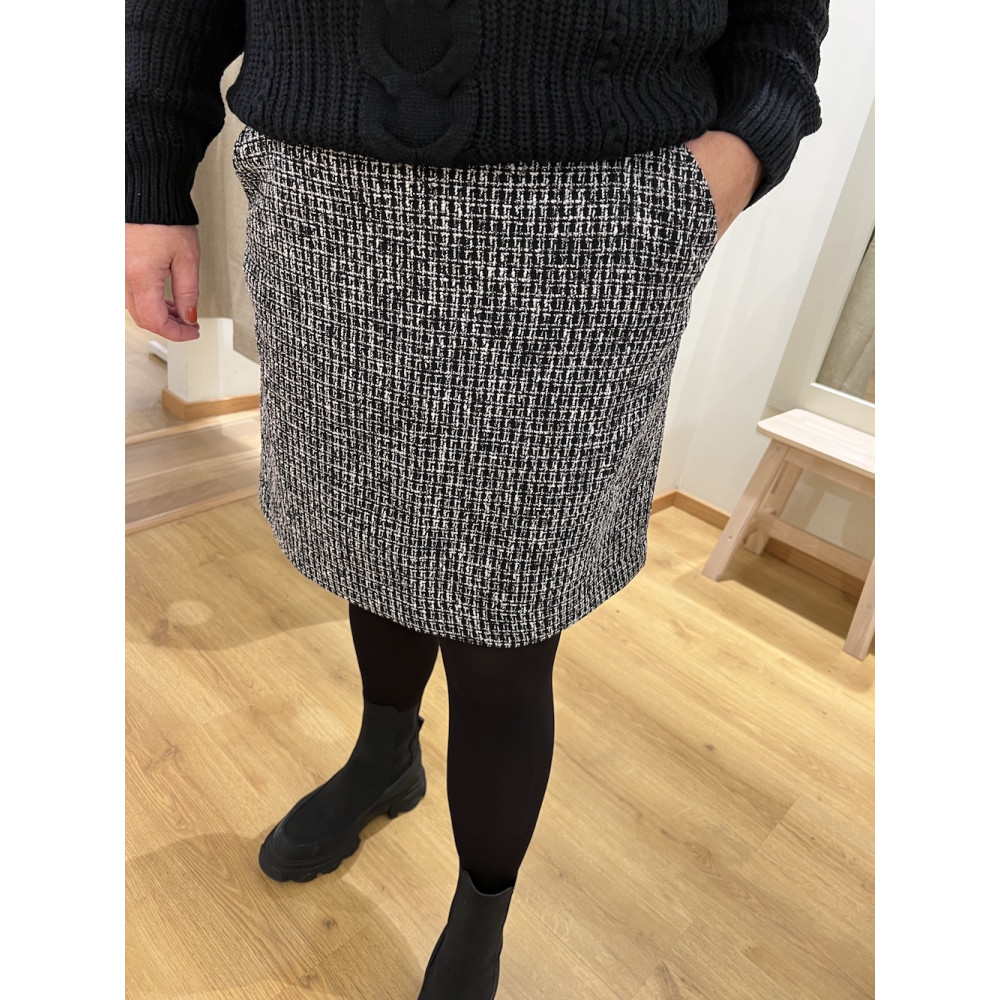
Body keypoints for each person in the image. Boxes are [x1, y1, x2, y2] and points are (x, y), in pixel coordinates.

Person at [125, 3, 829, 997]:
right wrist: (149, 182)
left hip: (589, 225)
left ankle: (480, 906)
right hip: (327, 212)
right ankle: (385, 753)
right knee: (368, 547)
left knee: (508, 621)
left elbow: (783, 16)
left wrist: (742, 149)